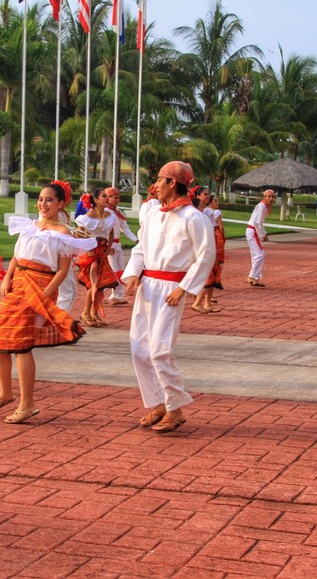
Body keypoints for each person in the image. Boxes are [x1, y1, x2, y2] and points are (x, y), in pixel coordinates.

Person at [0, 181, 96, 424]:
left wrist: (45, 294)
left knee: (22, 344)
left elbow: (62, 271)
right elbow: (17, 255)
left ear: (61, 204)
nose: (43, 204)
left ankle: (27, 403)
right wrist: (7, 277)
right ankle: (5, 392)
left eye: (49, 200)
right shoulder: (29, 226)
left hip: (39, 287)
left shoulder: (64, 233)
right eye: (40, 199)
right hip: (17, 284)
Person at [122, 161, 215, 433]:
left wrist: (183, 288)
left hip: (171, 289)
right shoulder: (154, 214)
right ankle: (157, 404)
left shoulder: (194, 218)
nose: (156, 186)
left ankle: (175, 409)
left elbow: (205, 256)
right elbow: (140, 247)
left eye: (160, 180)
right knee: (139, 349)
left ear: (173, 183)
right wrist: (132, 275)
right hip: (148, 286)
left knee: (160, 350)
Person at [75, 190, 118, 326]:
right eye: (104, 196)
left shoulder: (110, 215)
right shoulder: (88, 216)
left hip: (102, 251)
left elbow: (111, 233)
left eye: (108, 196)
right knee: (93, 283)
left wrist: (109, 247)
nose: (107, 198)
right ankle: (85, 313)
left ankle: (93, 312)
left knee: (100, 283)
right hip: (90, 252)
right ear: (96, 199)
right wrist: (87, 244)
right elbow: (78, 235)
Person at [105, 187, 137, 305]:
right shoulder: (105, 212)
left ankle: (116, 296)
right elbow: (104, 230)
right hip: (110, 246)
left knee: (120, 271)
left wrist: (136, 240)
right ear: (108, 198)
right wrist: (108, 245)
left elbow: (125, 229)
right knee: (113, 271)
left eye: (118, 197)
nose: (118, 200)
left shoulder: (117, 213)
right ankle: (105, 294)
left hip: (117, 244)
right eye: (115, 197)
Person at [246, 189, 276, 287]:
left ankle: (256, 278)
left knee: (257, 255)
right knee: (260, 254)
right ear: (264, 197)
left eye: (272, 197)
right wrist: (263, 234)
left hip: (252, 230)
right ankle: (252, 276)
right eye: (269, 196)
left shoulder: (264, 206)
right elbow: (258, 222)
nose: (271, 198)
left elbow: (258, 222)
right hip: (253, 230)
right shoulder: (262, 206)